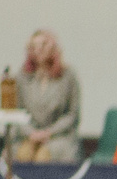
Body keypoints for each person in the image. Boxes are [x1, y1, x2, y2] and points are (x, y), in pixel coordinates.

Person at [15, 29, 81, 164]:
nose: (38, 50)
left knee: (43, 157)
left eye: (43, 45)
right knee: (23, 154)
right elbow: (17, 112)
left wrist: (48, 133)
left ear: (53, 47)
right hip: (29, 135)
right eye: (34, 46)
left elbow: (72, 115)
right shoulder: (22, 77)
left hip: (59, 136)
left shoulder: (68, 77)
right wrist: (32, 133)